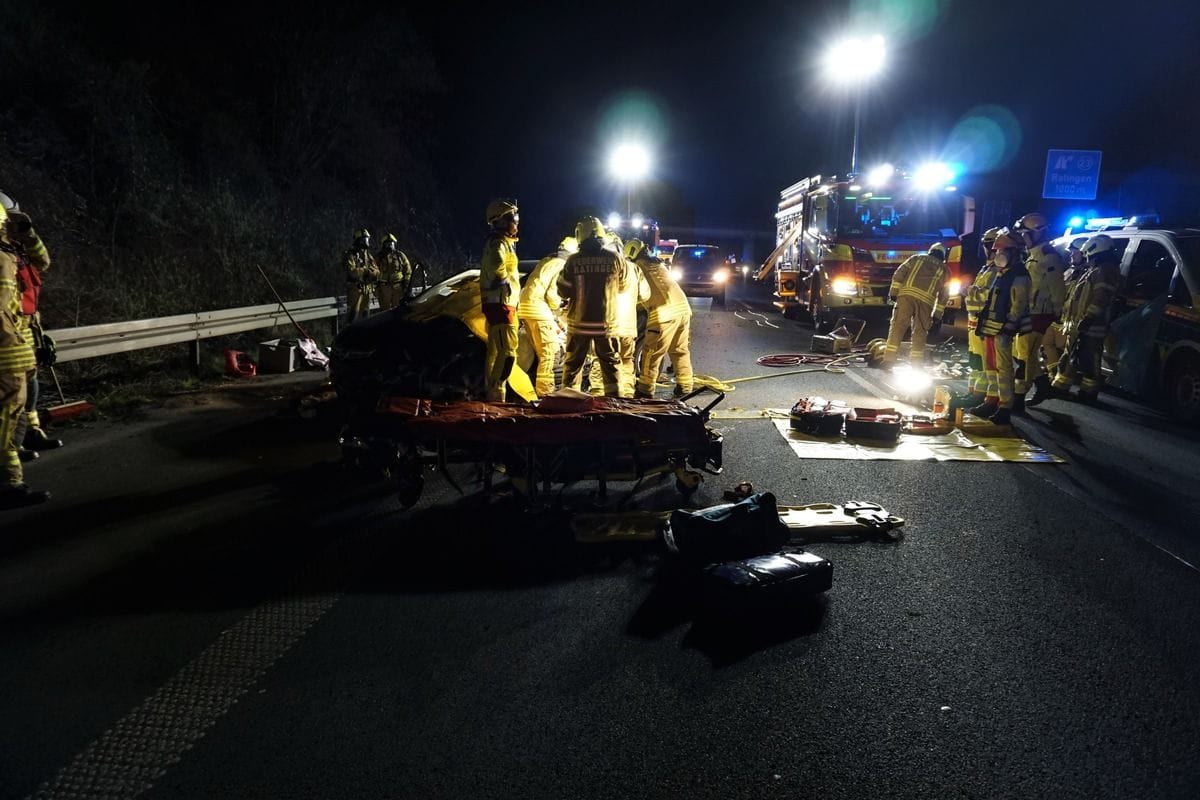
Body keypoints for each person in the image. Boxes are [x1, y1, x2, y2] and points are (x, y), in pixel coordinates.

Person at [0, 191, 61, 460]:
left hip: (29, 324)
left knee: (30, 381)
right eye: (9, 221)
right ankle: (14, 443)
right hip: (11, 325)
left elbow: (44, 262)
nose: (12, 225)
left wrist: (29, 234)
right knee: (13, 388)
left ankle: (31, 431)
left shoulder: (19, 249)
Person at [0, 202, 50, 509]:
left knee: (15, 411)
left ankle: (11, 478)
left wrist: (28, 234)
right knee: (6, 417)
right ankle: (8, 485)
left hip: (19, 340)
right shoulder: (3, 256)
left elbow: (41, 262)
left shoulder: (10, 251)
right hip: (8, 348)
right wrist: (16, 342)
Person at [558, 216, 627, 397]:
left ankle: (570, 406)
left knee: (573, 367)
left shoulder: (573, 260)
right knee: (611, 367)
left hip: (579, 325)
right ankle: (614, 406)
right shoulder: (615, 258)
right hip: (607, 325)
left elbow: (563, 291)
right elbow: (624, 285)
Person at [1051, 234, 1121, 403]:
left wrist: (1089, 317)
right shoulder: (1096, 270)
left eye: (1088, 255)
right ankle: (1060, 386)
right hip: (1081, 325)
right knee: (1069, 356)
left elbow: (1101, 297)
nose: (1087, 258)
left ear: (1095, 251)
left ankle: (1089, 392)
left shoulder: (1105, 270)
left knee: (1090, 359)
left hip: (1092, 326)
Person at [971, 231, 1031, 425]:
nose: (998, 254)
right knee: (990, 366)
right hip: (991, 326)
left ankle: (1005, 406)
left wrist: (1010, 327)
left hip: (1002, 329)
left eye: (1002, 250)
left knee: (1003, 369)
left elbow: (1018, 304)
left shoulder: (1020, 275)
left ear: (1014, 252)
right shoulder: (1002, 273)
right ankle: (991, 400)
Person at [1011, 212, 1066, 410]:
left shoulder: (1048, 257)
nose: (1022, 237)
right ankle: (1043, 386)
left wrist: (1057, 311)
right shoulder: (1033, 254)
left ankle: (1017, 400)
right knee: (1023, 353)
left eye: (1025, 234)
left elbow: (1057, 287)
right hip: (1028, 312)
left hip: (1039, 313)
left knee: (1026, 356)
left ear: (1037, 233)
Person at [628, 239, 694, 398]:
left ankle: (645, 389)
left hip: (663, 313)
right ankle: (685, 386)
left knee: (651, 353)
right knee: (679, 351)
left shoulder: (637, 268)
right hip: (684, 310)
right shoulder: (657, 265)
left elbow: (639, 294)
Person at [517, 236, 576, 397]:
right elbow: (552, 294)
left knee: (541, 353)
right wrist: (558, 305)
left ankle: (533, 390)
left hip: (526, 308)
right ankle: (545, 394)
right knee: (550, 352)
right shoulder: (561, 265)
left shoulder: (546, 261)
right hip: (538, 309)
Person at [1031, 240, 1086, 406]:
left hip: (1071, 319)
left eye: (1075, 252)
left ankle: (1061, 385)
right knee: (1045, 346)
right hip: (1059, 316)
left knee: (1066, 352)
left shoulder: (1087, 274)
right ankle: (1052, 375)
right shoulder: (1070, 271)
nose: (1071, 255)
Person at [881, 242, 950, 368]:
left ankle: (889, 360)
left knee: (897, 327)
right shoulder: (945, 269)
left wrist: (894, 292)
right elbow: (944, 295)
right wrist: (937, 314)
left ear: (931, 251)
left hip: (906, 297)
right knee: (920, 332)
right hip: (926, 302)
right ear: (943, 256)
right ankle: (916, 364)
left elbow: (898, 274)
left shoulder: (916, 258)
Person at [480, 198, 521, 402]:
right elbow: (497, 266)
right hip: (503, 304)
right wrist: (505, 282)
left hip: (497, 304)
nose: (516, 221)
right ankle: (497, 394)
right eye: (513, 217)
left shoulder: (499, 242)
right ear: (501, 220)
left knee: (495, 351)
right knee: (509, 352)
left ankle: (491, 392)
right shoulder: (499, 243)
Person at [963, 227, 1002, 407]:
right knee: (975, 359)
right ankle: (974, 392)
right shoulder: (987, 268)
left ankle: (986, 396)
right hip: (974, 321)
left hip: (983, 321)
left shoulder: (996, 270)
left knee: (986, 362)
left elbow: (987, 296)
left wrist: (970, 291)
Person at [343, 228, 379, 323]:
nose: (367, 242)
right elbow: (352, 272)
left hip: (367, 289)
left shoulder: (368, 255)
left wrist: (369, 272)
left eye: (367, 239)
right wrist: (365, 271)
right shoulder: (351, 255)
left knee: (365, 316)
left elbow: (377, 271)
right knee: (353, 315)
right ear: (359, 240)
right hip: (356, 289)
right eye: (365, 239)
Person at [375, 233, 412, 310]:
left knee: (399, 309)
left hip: (398, 288)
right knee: (384, 311)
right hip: (384, 288)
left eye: (392, 244)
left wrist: (406, 283)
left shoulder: (400, 255)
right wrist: (375, 288)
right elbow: (374, 273)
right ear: (384, 245)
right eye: (388, 244)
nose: (390, 246)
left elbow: (408, 270)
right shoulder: (378, 257)